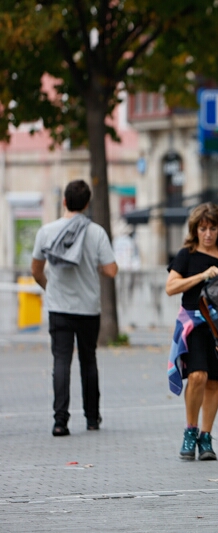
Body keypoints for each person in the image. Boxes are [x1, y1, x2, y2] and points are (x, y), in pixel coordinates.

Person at [31, 179, 118, 437]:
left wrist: (50, 288)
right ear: (87, 204)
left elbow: (36, 270)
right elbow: (111, 270)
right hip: (88, 308)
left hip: (58, 308)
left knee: (61, 362)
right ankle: (92, 418)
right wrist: (93, 265)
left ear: (65, 201)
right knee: (88, 361)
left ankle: (60, 422)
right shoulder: (96, 232)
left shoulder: (47, 231)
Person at [165, 203, 218, 462]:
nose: (208, 234)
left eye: (212, 228)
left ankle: (206, 436)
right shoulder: (187, 254)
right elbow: (171, 287)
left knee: (213, 381)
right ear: (195, 229)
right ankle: (190, 430)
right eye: (203, 228)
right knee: (197, 376)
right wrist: (201, 276)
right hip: (194, 324)